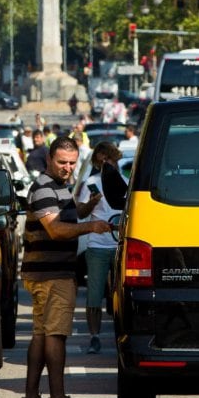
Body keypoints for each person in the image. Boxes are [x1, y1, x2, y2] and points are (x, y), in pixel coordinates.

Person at [21, 136, 112, 398]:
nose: (68, 168)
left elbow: (66, 218)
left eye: (72, 163)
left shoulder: (60, 187)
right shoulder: (43, 188)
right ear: (49, 159)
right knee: (55, 335)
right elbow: (56, 229)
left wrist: (86, 208)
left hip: (45, 273)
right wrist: (92, 227)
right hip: (52, 275)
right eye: (62, 162)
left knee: (40, 335)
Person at [77, 142, 127, 354]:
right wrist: (92, 202)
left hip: (119, 245)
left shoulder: (124, 182)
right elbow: (80, 213)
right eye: (103, 160)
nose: (107, 164)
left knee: (122, 296)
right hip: (97, 245)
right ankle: (94, 337)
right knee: (94, 295)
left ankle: (122, 336)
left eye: (111, 160)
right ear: (97, 161)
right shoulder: (91, 183)